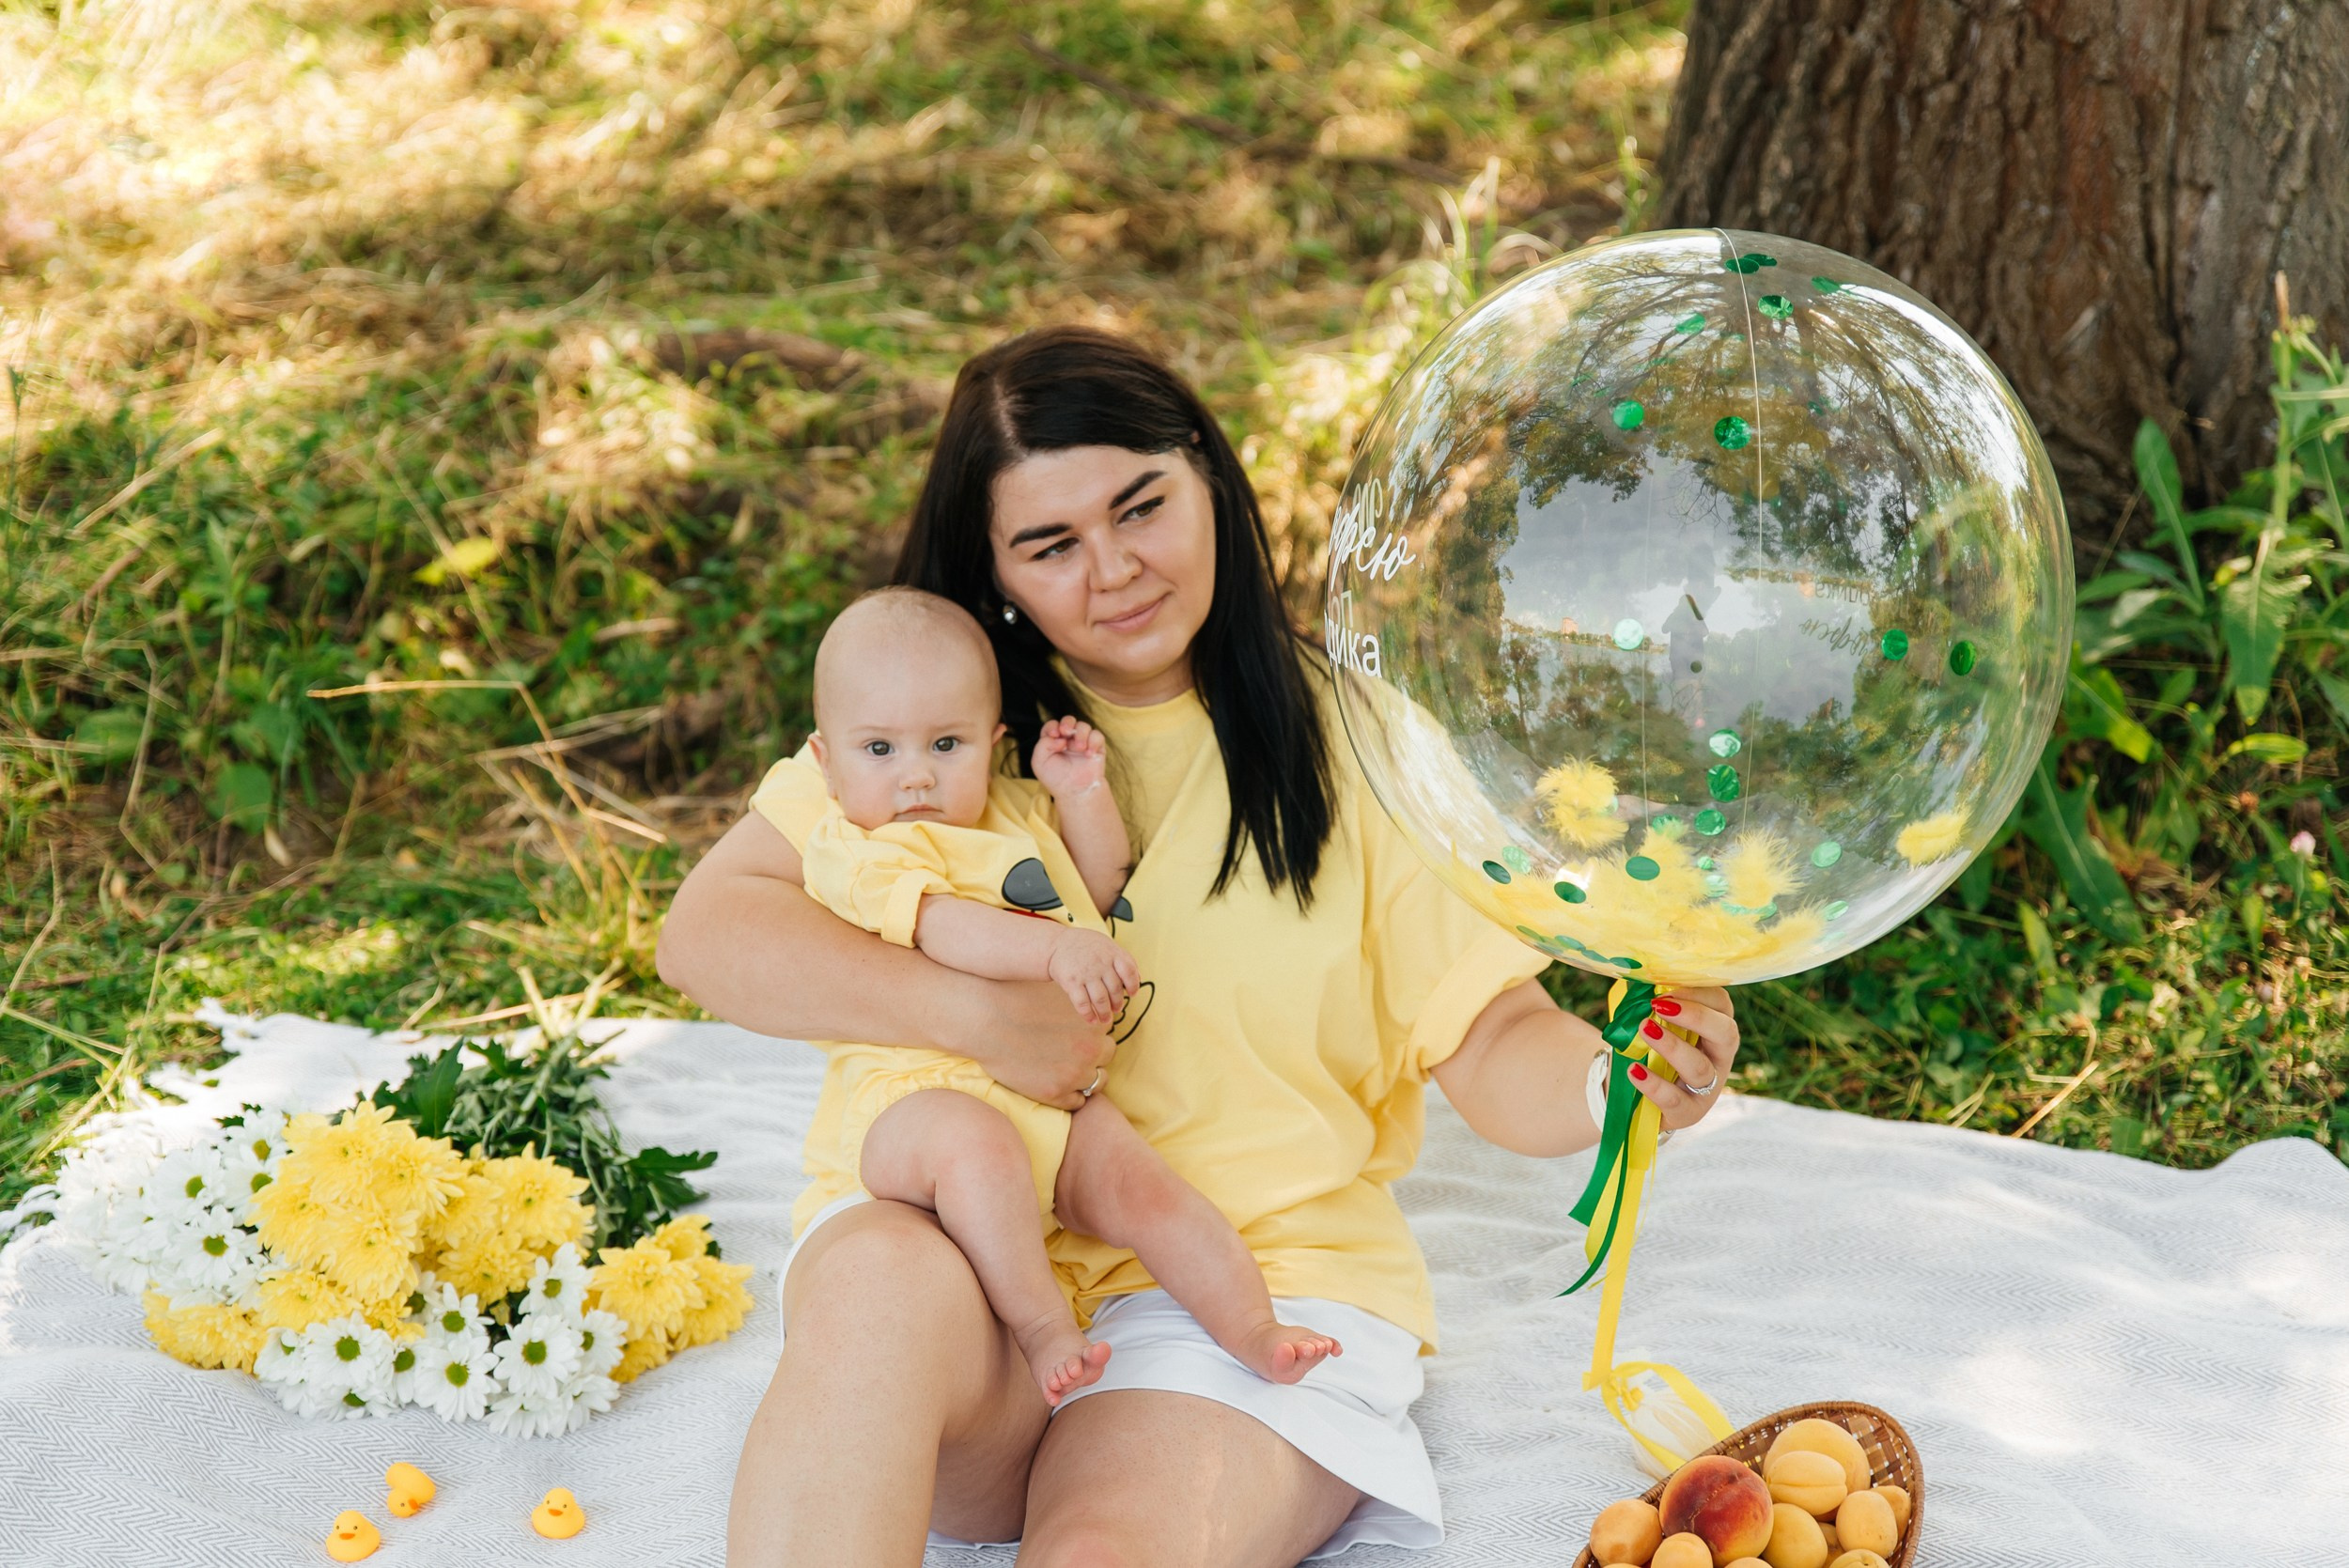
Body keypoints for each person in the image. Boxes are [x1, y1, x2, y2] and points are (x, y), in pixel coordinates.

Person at [656, 325, 1742, 1568]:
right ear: (996, 570)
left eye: (1141, 507)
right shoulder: (936, 728)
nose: (1113, 570)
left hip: (1239, 1297)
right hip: (979, 1258)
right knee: (870, 1280)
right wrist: (970, 1015)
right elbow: (711, 929)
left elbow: (1491, 1035)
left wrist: (1623, 1084)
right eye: (1052, 546)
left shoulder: (1357, 742)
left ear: (1209, 480)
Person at [775, 585, 1344, 1405]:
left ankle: (1253, 1327)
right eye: (879, 750)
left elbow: (1100, 882)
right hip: (915, 1101)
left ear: (991, 740)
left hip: (1054, 1098)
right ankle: (1046, 1330)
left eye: (945, 743)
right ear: (824, 762)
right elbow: (943, 929)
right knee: (977, 1147)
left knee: (1153, 1190)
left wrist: (1081, 796)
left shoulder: (1011, 809)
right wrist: (1059, 950)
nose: (915, 777)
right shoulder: (855, 847)